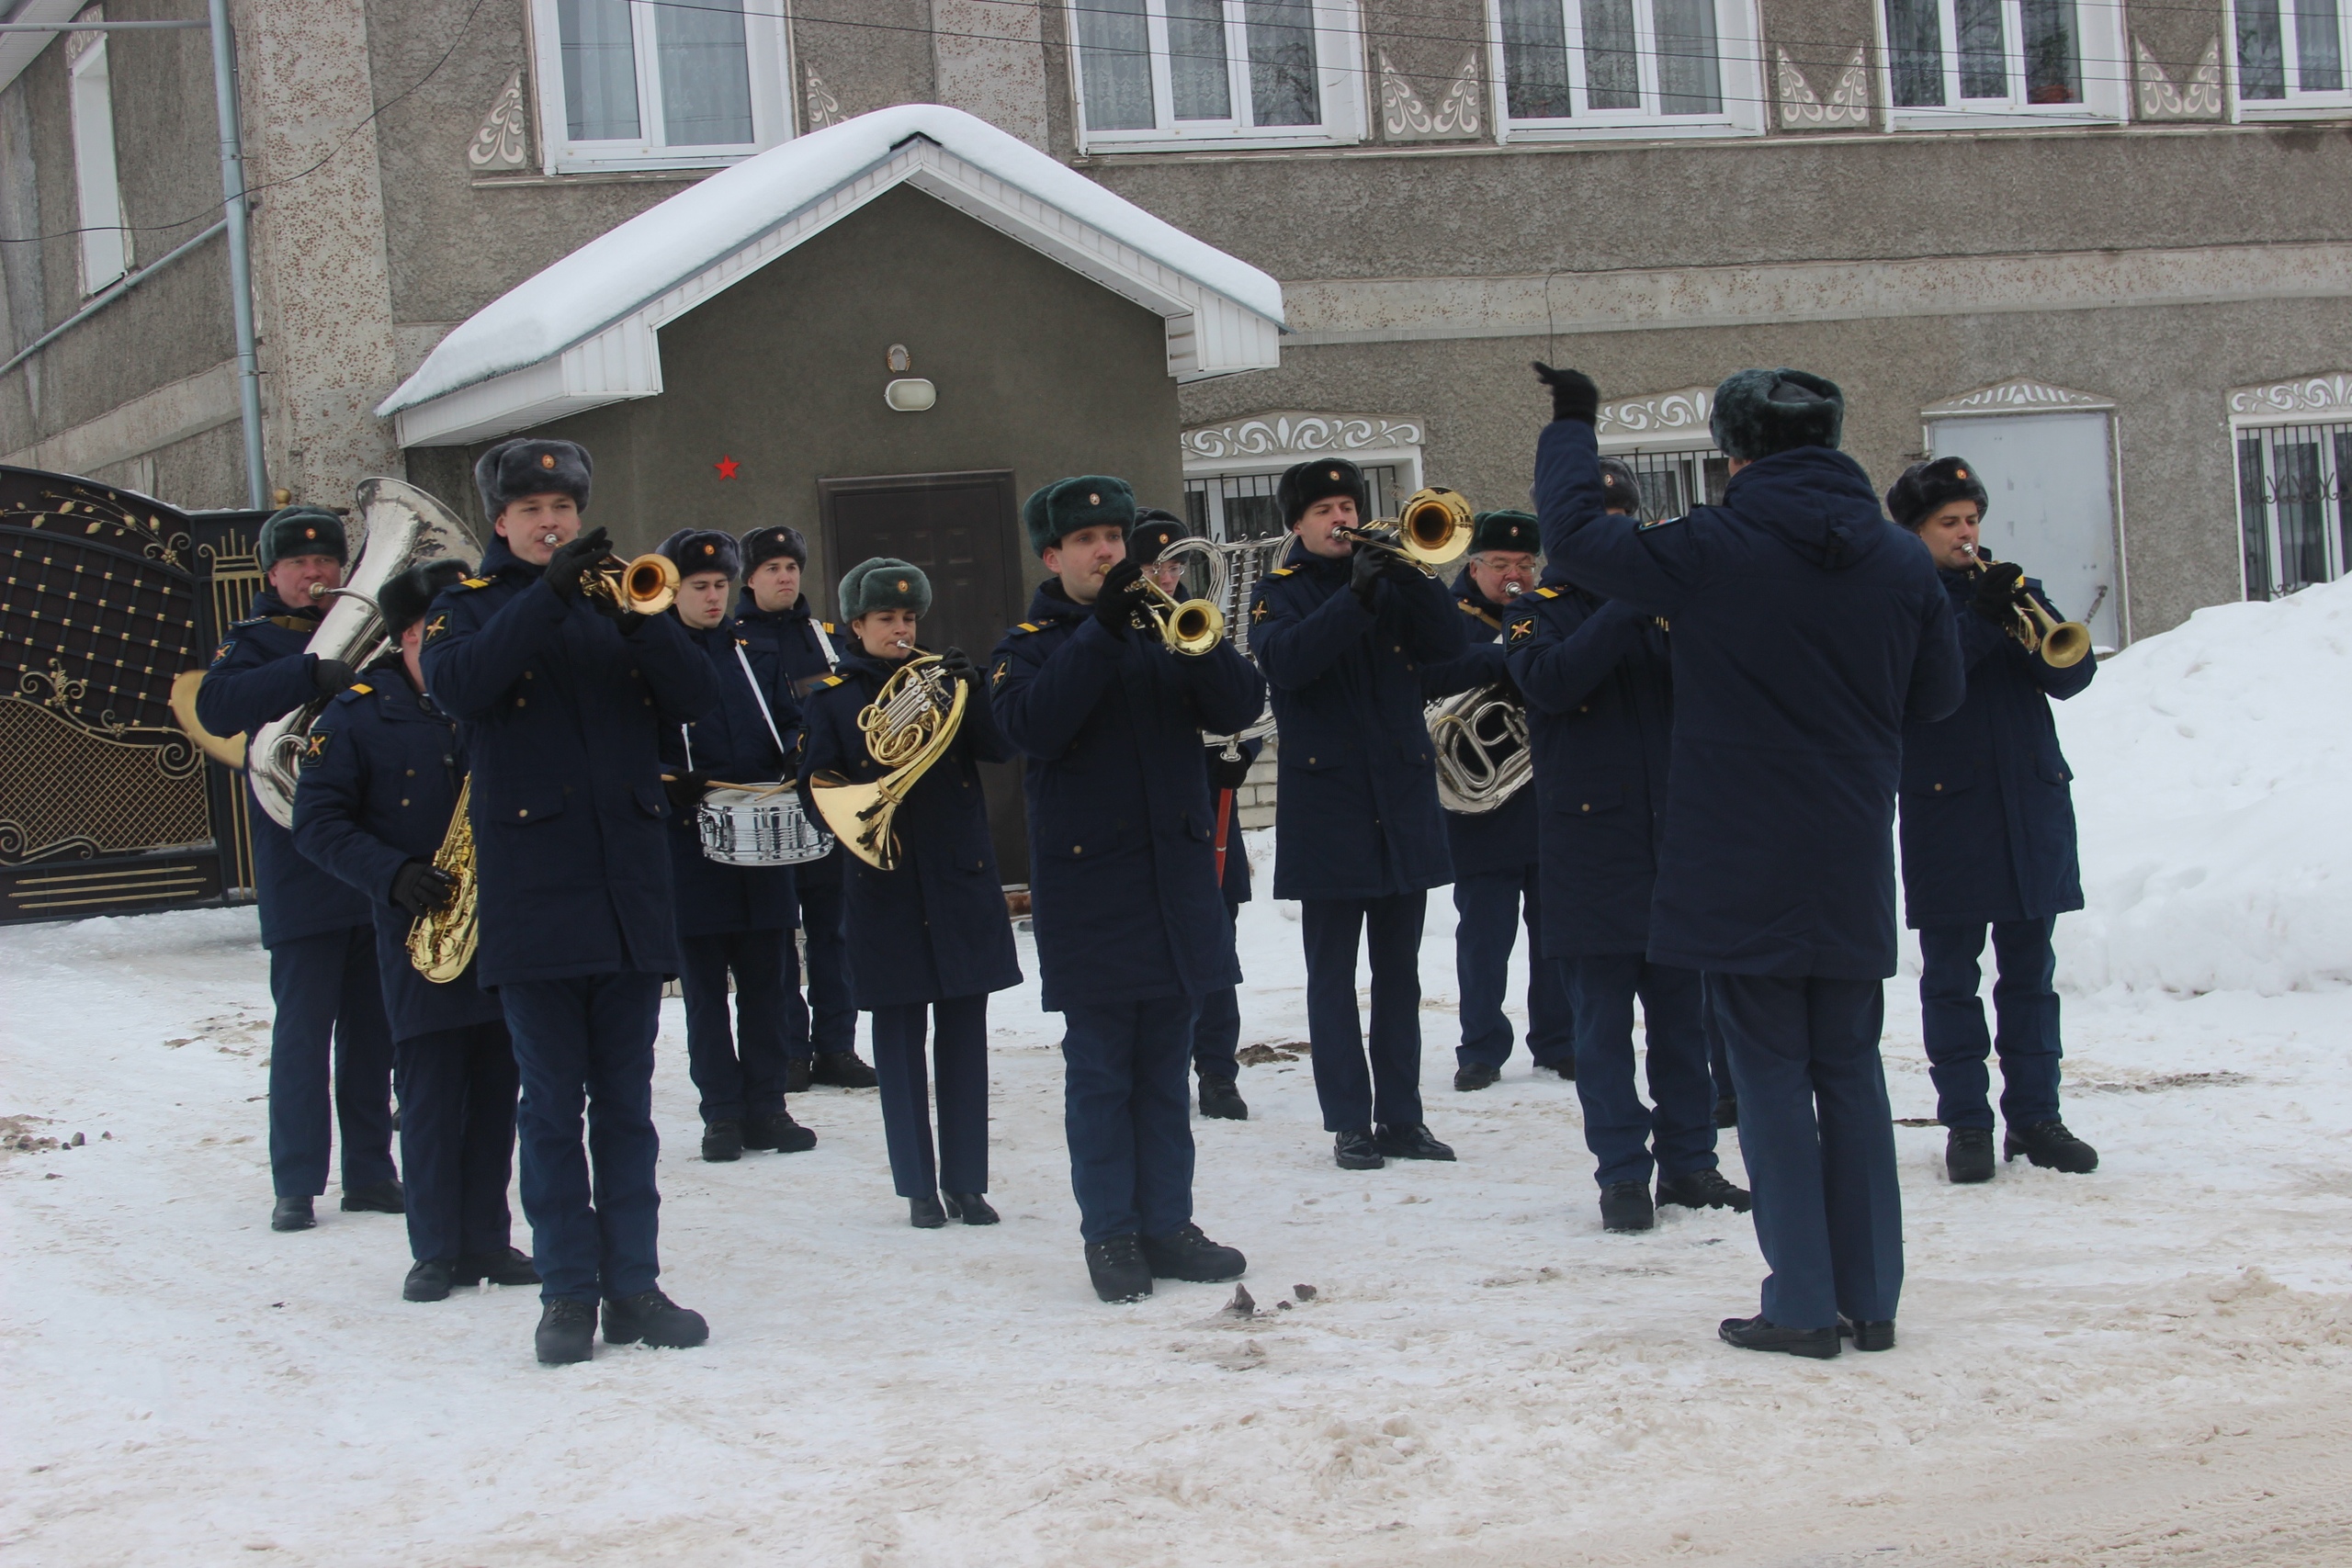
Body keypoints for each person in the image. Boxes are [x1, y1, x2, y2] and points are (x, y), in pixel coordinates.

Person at [1530, 362, 1962, 1358]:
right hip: (1850, 846)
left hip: (1738, 853)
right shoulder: (1902, 562)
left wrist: (1572, 426)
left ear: (1736, 453)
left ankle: (1803, 1303)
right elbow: (1935, 698)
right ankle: (1872, 1300)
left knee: (1767, 1077)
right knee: (1850, 1073)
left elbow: (1582, 543)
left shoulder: (1717, 545)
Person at [420, 436, 718, 1367]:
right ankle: (566, 1293)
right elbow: (461, 688)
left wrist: (643, 622)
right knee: (551, 1110)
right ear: (500, 522)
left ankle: (633, 1285)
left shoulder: (618, 601)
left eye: (564, 508)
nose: (552, 523)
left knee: (626, 1110)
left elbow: (696, 697)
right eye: (532, 510)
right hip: (535, 902)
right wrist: (548, 599)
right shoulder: (464, 611)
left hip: (625, 896)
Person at [991, 479, 1264, 1303]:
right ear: (1053, 556)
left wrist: (1196, 638)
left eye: (1116, 537)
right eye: (1087, 541)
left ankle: (1168, 1224)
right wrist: (1106, 628)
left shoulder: (1164, 630)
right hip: (1093, 893)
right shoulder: (1030, 642)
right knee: (1103, 1073)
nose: (1108, 553)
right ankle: (1110, 1233)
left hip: (1176, 886)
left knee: (1164, 1072)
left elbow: (1241, 702)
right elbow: (1032, 726)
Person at [291, 558, 537, 1303]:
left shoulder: (500, 700)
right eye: (437, 632)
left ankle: (488, 1236)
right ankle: (434, 1246)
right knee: (430, 1092)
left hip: (505, 927)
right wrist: (393, 874)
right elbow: (318, 821)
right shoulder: (357, 716)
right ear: (404, 637)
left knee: (500, 1084)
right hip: (416, 929)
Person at [1502, 506, 1748, 1234]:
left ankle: (1691, 1162)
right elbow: (1548, 681)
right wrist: (1626, 603)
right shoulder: (1534, 610)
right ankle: (1621, 1174)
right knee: (1602, 1031)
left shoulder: (1674, 605)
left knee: (1684, 1025)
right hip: (1589, 852)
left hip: (1675, 845)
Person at [1250, 457, 1467, 1171]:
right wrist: (1355, 598)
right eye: (1324, 510)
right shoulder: (1277, 592)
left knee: (1400, 972)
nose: (1341, 518)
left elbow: (1448, 647)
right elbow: (1287, 662)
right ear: (1298, 524)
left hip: (1400, 799)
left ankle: (1403, 1117)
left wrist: (1410, 577)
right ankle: (1349, 1119)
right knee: (1333, 974)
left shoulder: (1392, 576)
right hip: (1330, 806)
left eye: (1347, 504)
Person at [1887, 457, 2099, 1184]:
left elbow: (2070, 677)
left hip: (2029, 805)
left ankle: (2038, 1118)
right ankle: (1968, 1123)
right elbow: (1926, 681)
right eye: (1949, 523)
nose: (1966, 533)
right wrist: (1979, 618)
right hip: (1948, 811)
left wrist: (2026, 614)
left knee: (2031, 976)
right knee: (1951, 979)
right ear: (1915, 533)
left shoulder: (2010, 588)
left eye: (1971, 519)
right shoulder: (1901, 600)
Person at [797, 559, 1022, 1230]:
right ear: (856, 626)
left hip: (957, 878)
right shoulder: (832, 699)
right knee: (897, 1042)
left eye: (909, 618)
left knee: (964, 1037)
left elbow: (999, 746)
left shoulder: (943, 684)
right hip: (885, 885)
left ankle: (968, 1182)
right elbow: (817, 795)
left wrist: (975, 687)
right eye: (886, 619)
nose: (900, 629)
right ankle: (918, 1186)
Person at [196, 504, 399, 1233]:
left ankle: (373, 1171)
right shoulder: (251, 643)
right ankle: (296, 1181)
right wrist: (309, 671)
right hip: (297, 867)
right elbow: (217, 707)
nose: (317, 575)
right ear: (272, 574)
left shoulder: (370, 632)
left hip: (366, 863)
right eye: (300, 564)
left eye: (327, 562)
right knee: (304, 1034)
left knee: (374, 1033)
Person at [656, 528, 819, 1165]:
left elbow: (789, 718)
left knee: (768, 977)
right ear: (675, 590)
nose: (714, 597)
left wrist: (800, 752)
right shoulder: (660, 654)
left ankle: (767, 1103)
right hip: (693, 838)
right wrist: (670, 782)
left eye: (721, 585)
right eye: (700, 587)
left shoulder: (753, 648)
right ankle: (720, 1110)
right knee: (704, 988)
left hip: (763, 833)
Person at [1419, 509, 1576, 1092]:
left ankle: (1558, 1041)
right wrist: (1509, 654)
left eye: (1525, 564)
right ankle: (1481, 1047)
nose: (1516, 575)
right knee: (1484, 936)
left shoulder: (1550, 609)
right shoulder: (1451, 618)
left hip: (1546, 796)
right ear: (1474, 565)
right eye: (1502, 565)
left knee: (1555, 931)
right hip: (1478, 806)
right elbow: (1434, 672)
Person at [1131, 507, 1261, 1122]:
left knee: (1215, 943)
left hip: (1209, 804)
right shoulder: (1118, 625)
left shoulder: (1201, 621)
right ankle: (1160, 1067)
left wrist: (1242, 756)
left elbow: (1242, 700)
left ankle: (1217, 1071)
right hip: (1142, 816)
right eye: (1154, 563)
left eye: (1175, 562)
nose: (1167, 573)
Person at [736, 525, 875, 1093]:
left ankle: (836, 1045)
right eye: (772, 568)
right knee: (778, 936)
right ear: (750, 577)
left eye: (791, 567)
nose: (785, 577)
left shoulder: (824, 636)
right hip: (766, 803)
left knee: (831, 929)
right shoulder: (735, 637)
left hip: (822, 799)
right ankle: (790, 1048)